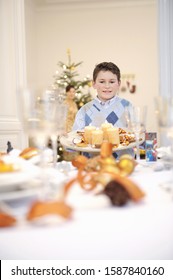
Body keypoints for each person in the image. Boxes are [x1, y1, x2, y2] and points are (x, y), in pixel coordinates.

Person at [72, 61, 134, 158]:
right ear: (94, 84)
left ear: (118, 83)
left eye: (112, 82)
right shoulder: (84, 110)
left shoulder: (127, 106)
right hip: (93, 163)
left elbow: (136, 136)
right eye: (102, 82)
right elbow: (75, 140)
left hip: (123, 162)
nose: (107, 86)